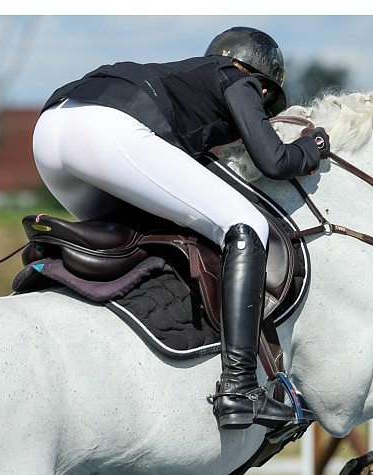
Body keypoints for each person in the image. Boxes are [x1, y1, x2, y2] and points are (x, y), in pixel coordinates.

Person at [33, 26, 331, 431]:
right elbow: (274, 161)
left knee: (136, 235)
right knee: (246, 225)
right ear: (259, 83)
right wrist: (311, 147)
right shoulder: (236, 77)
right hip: (108, 130)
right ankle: (240, 389)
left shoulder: (187, 79)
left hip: (51, 131)